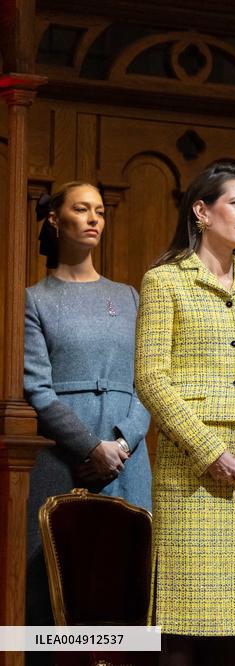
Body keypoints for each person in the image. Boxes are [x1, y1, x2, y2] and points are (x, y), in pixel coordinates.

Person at [134, 162, 235, 666]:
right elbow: (151, 378)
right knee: (184, 629)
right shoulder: (166, 282)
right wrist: (208, 449)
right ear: (202, 211)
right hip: (193, 474)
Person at [23, 182, 153, 639]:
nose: (95, 218)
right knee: (54, 585)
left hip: (128, 458)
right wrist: (89, 448)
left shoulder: (130, 296)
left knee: (127, 582)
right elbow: (37, 390)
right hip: (63, 459)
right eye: (82, 209)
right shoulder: (33, 299)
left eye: (100, 209)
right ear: (56, 220)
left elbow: (148, 382)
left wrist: (120, 444)